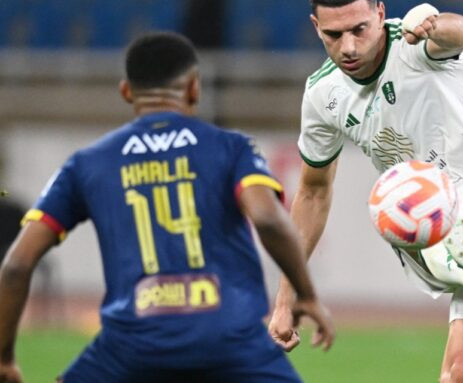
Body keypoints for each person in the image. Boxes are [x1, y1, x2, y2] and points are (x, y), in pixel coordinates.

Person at [0, 32, 333, 383]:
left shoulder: (87, 165)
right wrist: (306, 294)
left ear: (126, 92)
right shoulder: (232, 149)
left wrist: (4, 357)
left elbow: (16, 265)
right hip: (230, 342)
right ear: (194, 88)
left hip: (129, 348)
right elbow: (267, 219)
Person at [268, 0, 463, 383]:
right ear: (315, 26)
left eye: (360, 29)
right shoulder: (322, 96)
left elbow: (461, 31)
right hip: (424, 225)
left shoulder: (414, 44)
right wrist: (287, 297)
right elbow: (314, 194)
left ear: (380, 14)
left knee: (462, 372)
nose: (349, 47)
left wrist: (434, 26)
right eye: (333, 36)